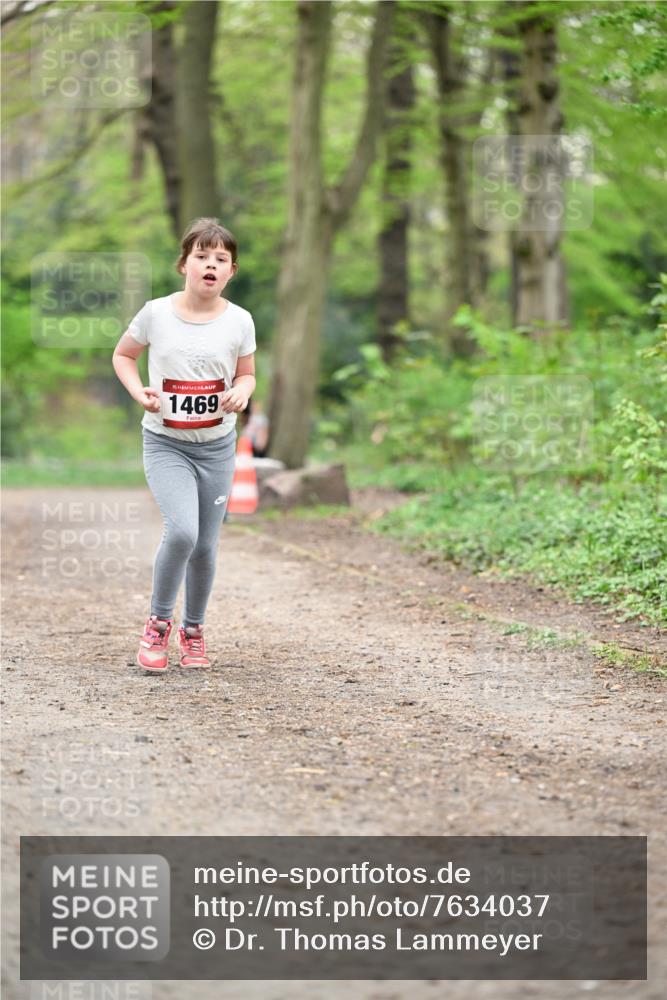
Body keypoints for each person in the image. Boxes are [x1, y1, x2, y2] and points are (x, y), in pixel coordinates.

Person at [112, 217, 256, 673]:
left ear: (231, 271)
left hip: (217, 448)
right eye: (202, 256)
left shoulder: (240, 320)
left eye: (220, 260)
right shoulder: (155, 313)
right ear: (184, 265)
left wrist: (243, 391)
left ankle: (193, 632)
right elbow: (123, 356)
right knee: (183, 532)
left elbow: (247, 373)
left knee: (207, 545)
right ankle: (157, 624)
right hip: (166, 443)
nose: (210, 265)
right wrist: (139, 391)